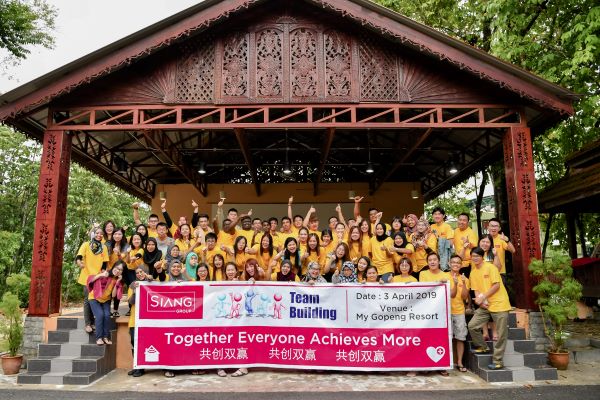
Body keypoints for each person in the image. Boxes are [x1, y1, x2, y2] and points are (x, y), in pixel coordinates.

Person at [468, 247, 512, 370]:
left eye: (477, 256)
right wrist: (480, 302)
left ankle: (498, 361)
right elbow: (476, 290)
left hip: (499, 304)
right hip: (485, 306)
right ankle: (482, 346)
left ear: (482, 257)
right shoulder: (473, 272)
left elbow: (496, 285)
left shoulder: (491, 267)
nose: (475, 258)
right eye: (473, 256)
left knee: (501, 334)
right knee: (472, 326)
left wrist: (483, 297)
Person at [76, 227, 109, 334]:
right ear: (93, 234)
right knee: (87, 300)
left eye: (101, 233)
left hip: (98, 278)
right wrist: (80, 263)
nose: (99, 235)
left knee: (95, 300)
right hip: (87, 277)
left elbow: (104, 263)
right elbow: (79, 257)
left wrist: (104, 275)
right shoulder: (86, 244)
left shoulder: (103, 247)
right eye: (97, 233)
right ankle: (88, 324)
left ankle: (93, 322)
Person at [87, 261, 123, 346]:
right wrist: (101, 275)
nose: (118, 271)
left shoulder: (116, 279)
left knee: (107, 315)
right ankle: (99, 337)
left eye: (120, 270)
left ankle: (105, 337)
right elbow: (90, 279)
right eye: (117, 268)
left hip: (106, 300)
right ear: (113, 267)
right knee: (100, 315)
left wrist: (117, 282)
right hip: (94, 298)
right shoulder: (104, 272)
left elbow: (113, 295)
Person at [448, 254, 469, 372]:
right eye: (453, 262)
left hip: (459, 311)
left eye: (458, 263)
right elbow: (451, 295)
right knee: (447, 337)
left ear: (461, 265)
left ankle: (460, 362)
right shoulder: (444, 276)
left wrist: (463, 283)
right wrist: (455, 283)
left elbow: (465, 297)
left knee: (460, 337)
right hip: (446, 311)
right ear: (449, 264)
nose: (455, 264)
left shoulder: (465, 278)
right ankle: (449, 361)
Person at [430, 207, 454, 271]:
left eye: (439, 214)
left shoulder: (447, 227)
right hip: (433, 256)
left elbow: (451, 243)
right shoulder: (431, 227)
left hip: (443, 257)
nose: (437, 216)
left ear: (443, 216)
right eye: (435, 214)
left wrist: (439, 239)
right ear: (432, 215)